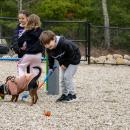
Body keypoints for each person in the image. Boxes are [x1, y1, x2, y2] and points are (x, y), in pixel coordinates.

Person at [39, 30, 81, 102]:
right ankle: (65, 94)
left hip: (74, 59)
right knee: (62, 78)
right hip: (63, 61)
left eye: (48, 43)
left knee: (67, 76)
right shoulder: (49, 49)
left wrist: (65, 64)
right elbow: (50, 58)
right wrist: (51, 67)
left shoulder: (64, 43)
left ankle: (73, 95)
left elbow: (72, 54)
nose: (48, 46)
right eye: (45, 44)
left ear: (54, 38)